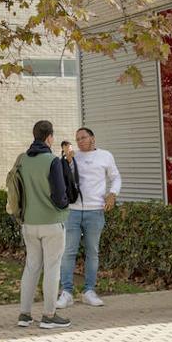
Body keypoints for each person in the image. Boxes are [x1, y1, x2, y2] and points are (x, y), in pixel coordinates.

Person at [15, 119, 71, 330]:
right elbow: (59, 195)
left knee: (31, 267)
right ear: (49, 137)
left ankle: (24, 315)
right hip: (51, 223)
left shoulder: (22, 160)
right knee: (52, 268)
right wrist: (65, 204)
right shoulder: (52, 160)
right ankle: (49, 315)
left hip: (28, 223)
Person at [58, 127, 122, 308]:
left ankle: (89, 291)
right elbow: (63, 179)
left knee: (92, 252)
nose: (79, 141)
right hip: (72, 211)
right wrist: (66, 160)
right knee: (68, 252)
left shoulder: (105, 156)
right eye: (77, 139)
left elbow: (116, 177)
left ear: (92, 138)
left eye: (83, 137)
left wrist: (113, 194)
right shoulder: (73, 157)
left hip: (95, 211)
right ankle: (67, 292)